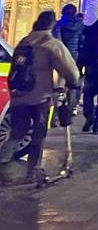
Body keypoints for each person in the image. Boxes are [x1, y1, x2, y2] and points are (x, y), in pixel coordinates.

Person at [0, 10, 80, 183]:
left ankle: (2, 158)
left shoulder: (24, 41)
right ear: (51, 24)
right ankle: (34, 171)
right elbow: (70, 68)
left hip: (18, 96)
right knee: (38, 134)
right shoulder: (51, 43)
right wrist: (73, 82)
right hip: (40, 97)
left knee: (17, 133)